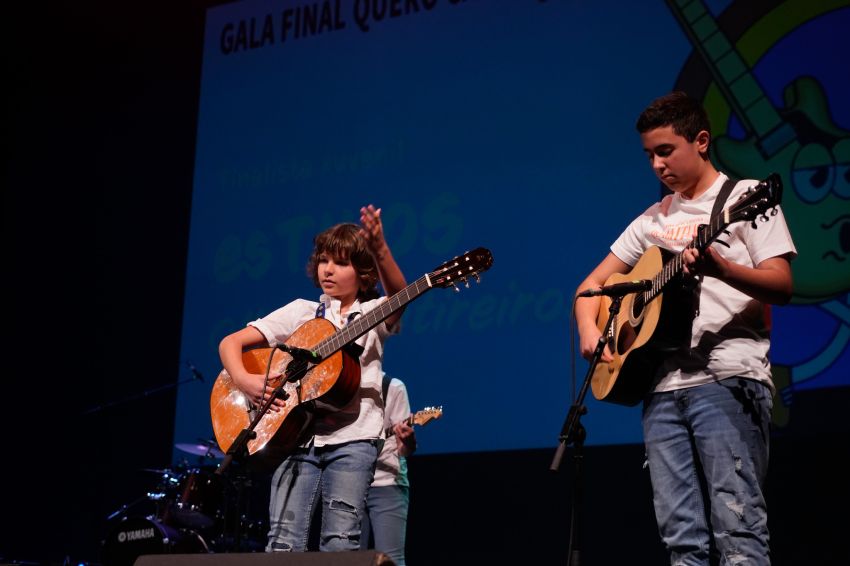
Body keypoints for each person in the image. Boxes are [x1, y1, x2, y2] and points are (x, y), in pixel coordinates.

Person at [574, 91, 796, 565]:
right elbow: (588, 290)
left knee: (739, 531)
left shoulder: (745, 198)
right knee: (681, 540)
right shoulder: (653, 220)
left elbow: (781, 285)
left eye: (665, 151)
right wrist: (590, 333)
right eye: (649, 155)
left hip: (727, 379)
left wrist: (721, 269)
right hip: (662, 387)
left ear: (700, 141)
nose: (656, 164)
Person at [219, 204, 407, 553]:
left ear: (364, 273)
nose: (328, 270)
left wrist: (380, 248)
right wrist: (245, 380)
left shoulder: (371, 313)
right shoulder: (301, 312)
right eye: (323, 260)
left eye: (341, 262)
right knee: (282, 543)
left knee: (340, 541)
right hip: (295, 439)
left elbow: (398, 297)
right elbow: (230, 343)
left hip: (354, 440)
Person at [361, 374, 417, 565]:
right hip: (352, 482)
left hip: (387, 483)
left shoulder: (392, 387)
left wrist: (408, 441)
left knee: (391, 560)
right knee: (347, 557)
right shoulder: (342, 389)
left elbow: (404, 451)